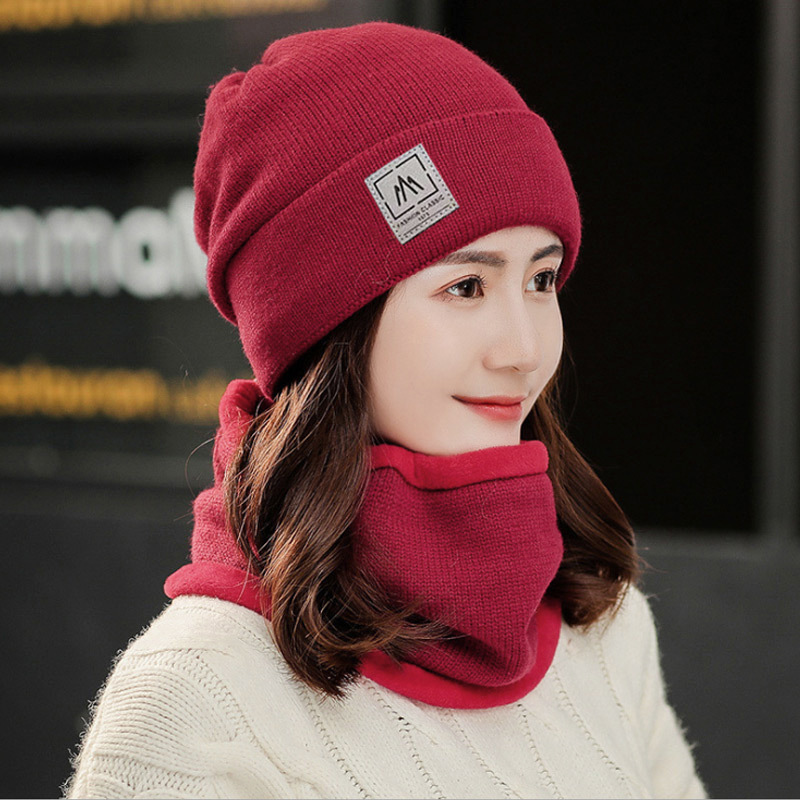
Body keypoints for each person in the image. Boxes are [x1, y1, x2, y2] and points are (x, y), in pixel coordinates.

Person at [64, 20, 706, 799]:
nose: (524, 349)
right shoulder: (196, 701)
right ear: (329, 323)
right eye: (466, 286)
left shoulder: (604, 626)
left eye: (541, 281)